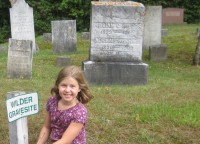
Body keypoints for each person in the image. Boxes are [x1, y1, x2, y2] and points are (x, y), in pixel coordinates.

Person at [37, 65, 93, 144]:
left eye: (72, 86)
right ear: (58, 85)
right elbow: (46, 127)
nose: (67, 90)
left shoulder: (79, 112)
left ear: (79, 88)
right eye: (64, 85)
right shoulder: (52, 102)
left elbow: (65, 141)